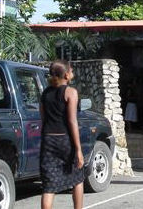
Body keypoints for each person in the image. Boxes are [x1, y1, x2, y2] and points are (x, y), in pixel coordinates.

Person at [40, 60, 84, 209]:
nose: (73, 73)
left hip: (48, 140)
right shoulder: (70, 92)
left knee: (48, 186)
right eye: (71, 70)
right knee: (77, 178)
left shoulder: (45, 93)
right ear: (66, 75)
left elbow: (43, 118)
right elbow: (72, 121)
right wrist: (78, 150)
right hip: (65, 140)